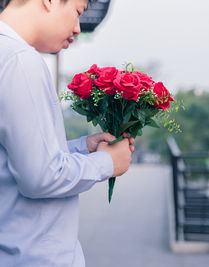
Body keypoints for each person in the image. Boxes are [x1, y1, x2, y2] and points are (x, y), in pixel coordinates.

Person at [0, 0, 134, 266]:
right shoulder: (20, 60)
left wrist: (83, 146)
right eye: (77, 11)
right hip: (32, 254)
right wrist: (107, 163)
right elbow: (40, 177)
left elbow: (14, 159)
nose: (77, 28)